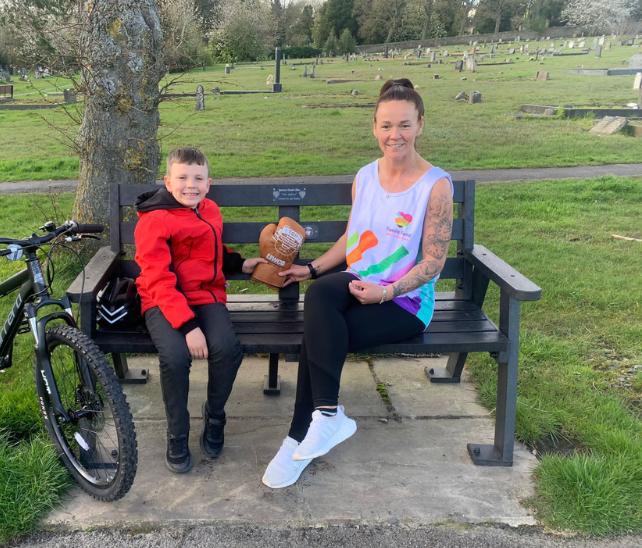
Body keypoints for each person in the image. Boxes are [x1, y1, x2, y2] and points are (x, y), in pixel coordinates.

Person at [262, 79, 454, 488]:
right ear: (374, 127)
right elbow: (354, 238)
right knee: (319, 296)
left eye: (404, 125)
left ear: (420, 125)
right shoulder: (365, 176)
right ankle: (327, 417)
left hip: (404, 302)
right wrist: (311, 269)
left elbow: (434, 263)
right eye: (386, 125)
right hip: (358, 281)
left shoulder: (435, 185)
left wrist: (386, 291)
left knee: (318, 334)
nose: (394, 135)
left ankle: (299, 436)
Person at [135, 147, 267, 473]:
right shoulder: (154, 221)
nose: (190, 185)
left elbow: (210, 251)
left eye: (198, 178)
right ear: (168, 181)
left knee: (227, 348)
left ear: (209, 183)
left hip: (206, 296)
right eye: (182, 178)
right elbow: (158, 278)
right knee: (176, 357)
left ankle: (216, 414)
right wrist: (189, 326)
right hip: (162, 299)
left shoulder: (209, 210)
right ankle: (177, 433)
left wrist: (240, 262)